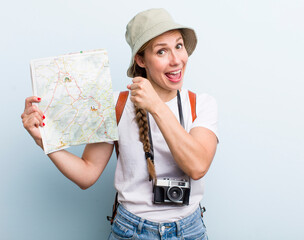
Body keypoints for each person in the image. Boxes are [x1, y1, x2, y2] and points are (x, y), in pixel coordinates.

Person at [21, 8, 219, 239]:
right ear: (141, 60)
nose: (176, 60)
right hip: (130, 230)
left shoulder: (202, 104)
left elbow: (197, 167)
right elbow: (87, 174)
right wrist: (45, 141)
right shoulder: (115, 105)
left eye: (178, 46)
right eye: (161, 51)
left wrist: (156, 106)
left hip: (189, 230)